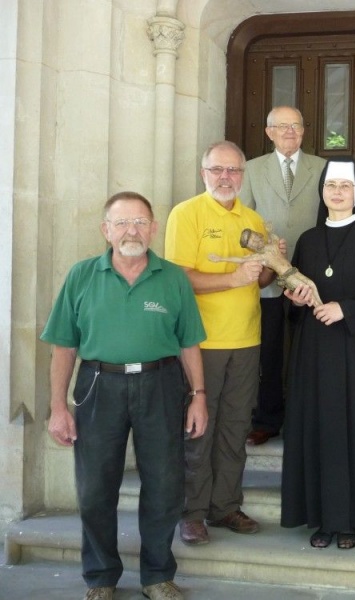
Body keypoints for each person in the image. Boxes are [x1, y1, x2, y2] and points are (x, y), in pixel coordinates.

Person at [42, 191, 207, 600]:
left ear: (153, 229)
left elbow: (189, 343)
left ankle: (157, 576)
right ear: (106, 230)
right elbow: (63, 346)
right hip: (99, 385)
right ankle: (100, 578)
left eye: (139, 222)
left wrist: (199, 395)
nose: (131, 230)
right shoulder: (81, 276)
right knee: (96, 487)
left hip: (162, 385)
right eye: (121, 222)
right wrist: (57, 407)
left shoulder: (172, 278)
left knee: (165, 485)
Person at [280, 158, 355, 550]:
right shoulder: (308, 241)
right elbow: (292, 295)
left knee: (354, 430)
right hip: (313, 354)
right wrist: (295, 299)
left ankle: (349, 521)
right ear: (323, 192)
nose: (338, 193)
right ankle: (321, 519)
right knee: (317, 429)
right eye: (332, 186)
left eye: (346, 187)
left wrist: (344, 309)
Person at [166, 140, 274, 546]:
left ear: (243, 176)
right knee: (198, 429)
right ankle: (191, 513)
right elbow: (178, 278)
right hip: (202, 342)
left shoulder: (253, 219)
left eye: (233, 171)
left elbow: (261, 280)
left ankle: (226, 505)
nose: (226, 177)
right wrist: (232, 279)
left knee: (235, 427)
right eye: (217, 170)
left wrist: (271, 264)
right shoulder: (186, 214)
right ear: (203, 173)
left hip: (247, 339)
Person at [239, 106, 327, 446]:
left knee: (310, 352)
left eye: (296, 126)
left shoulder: (321, 169)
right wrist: (263, 254)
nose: (290, 132)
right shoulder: (250, 169)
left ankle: (308, 418)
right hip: (265, 277)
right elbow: (243, 220)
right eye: (282, 126)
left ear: (304, 131)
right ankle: (268, 419)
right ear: (269, 131)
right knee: (270, 352)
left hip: (309, 277)